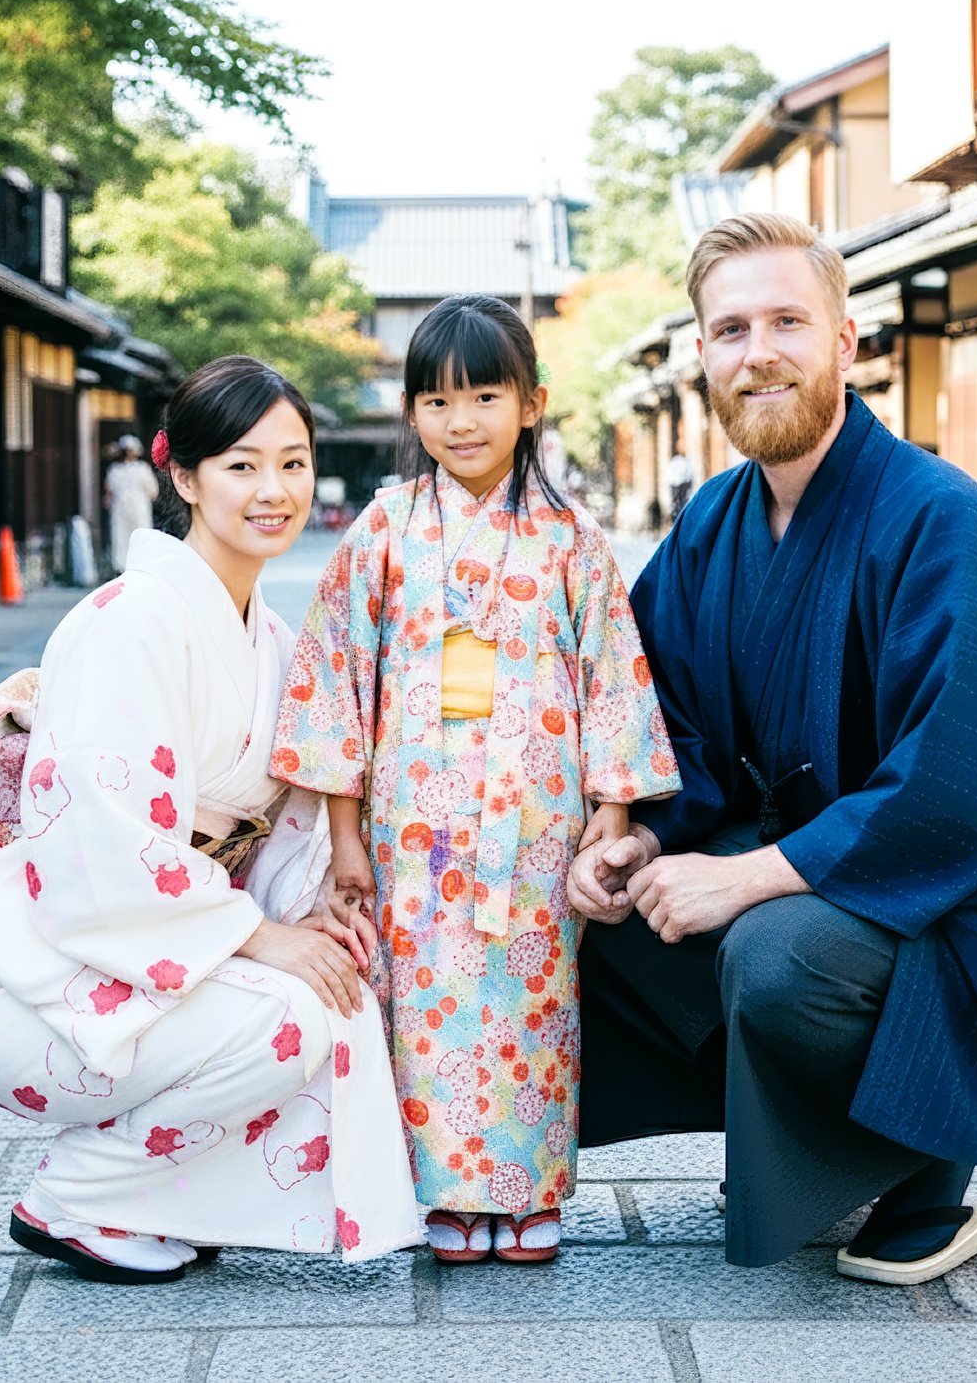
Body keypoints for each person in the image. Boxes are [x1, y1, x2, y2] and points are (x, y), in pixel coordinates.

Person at [570, 213, 977, 1283]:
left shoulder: (936, 517)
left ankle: (924, 1165)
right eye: (731, 330)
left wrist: (743, 881)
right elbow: (660, 723)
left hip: (951, 903)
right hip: (814, 876)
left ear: (846, 344)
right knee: (586, 911)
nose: (759, 351)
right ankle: (804, 1145)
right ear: (703, 359)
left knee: (773, 957)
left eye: (787, 321)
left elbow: (963, 788)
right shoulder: (712, 524)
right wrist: (628, 834)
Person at [0, 357, 422, 1285]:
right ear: (183, 477)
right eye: (241, 465)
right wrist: (255, 934)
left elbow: (282, 833)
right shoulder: (130, 622)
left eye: (293, 462)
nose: (272, 490)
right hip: (35, 972)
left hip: (148, 949)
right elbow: (102, 842)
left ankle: (151, 1200)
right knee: (289, 1015)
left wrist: (300, 916)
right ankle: (80, 1192)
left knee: (345, 988)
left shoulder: (271, 641)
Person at [274, 294, 677, 1265]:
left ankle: (530, 1188)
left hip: (535, 819)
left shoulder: (571, 538)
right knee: (423, 1005)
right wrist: (342, 838)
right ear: (413, 414)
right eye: (439, 401)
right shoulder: (383, 530)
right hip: (412, 820)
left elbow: (610, 676)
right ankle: (444, 1194)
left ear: (532, 403)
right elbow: (336, 677)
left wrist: (610, 813)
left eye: (484, 396)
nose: (462, 422)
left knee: (533, 1004)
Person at [103, 434, 160, 574]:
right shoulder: (142, 469)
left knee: (123, 537)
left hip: (122, 509)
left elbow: (107, 494)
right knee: (136, 536)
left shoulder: (115, 470)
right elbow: (153, 491)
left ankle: (123, 568)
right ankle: (140, 566)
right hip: (137, 508)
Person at [666, 446, 696, 524]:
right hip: (682, 484)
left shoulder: (676, 462)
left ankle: (677, 517)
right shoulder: (682, 462)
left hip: (679, 484)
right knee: (681, 503)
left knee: (678, 503)